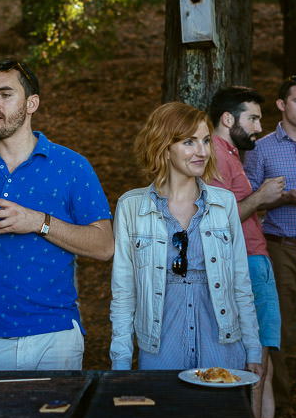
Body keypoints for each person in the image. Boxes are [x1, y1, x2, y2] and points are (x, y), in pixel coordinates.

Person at [0, 59, 114, 371]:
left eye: (5, 94)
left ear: (31, 103)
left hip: (55, 335)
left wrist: (38, 222)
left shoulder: (71, 166)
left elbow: (104, 245)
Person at [109, 101, 262, 375]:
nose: (202, 151)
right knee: (165, 404)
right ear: (164, 147)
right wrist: (121, 361)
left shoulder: (224, 203)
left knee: (220, 404)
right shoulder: (131, 207)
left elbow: (241, 282)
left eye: (205, 141)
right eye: (189, 142)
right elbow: (124, 293)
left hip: (222, 345)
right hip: (161, 348)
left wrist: (253, 349)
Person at [243, 74, 296, 407]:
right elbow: (250, 201)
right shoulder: (261, 149)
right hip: (281, 249)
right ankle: (277, 404)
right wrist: (286, 197)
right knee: (275, 329)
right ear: (281, 104)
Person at [207, 86, 284, 418]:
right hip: (247, 263)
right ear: (228, 119)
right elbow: (219, 220)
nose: (258, 127)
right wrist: (262, 196)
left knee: (263, 361)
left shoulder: (231, 154)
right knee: (255, 363)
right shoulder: (215, 155)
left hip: (255, 259)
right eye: (252, 119)